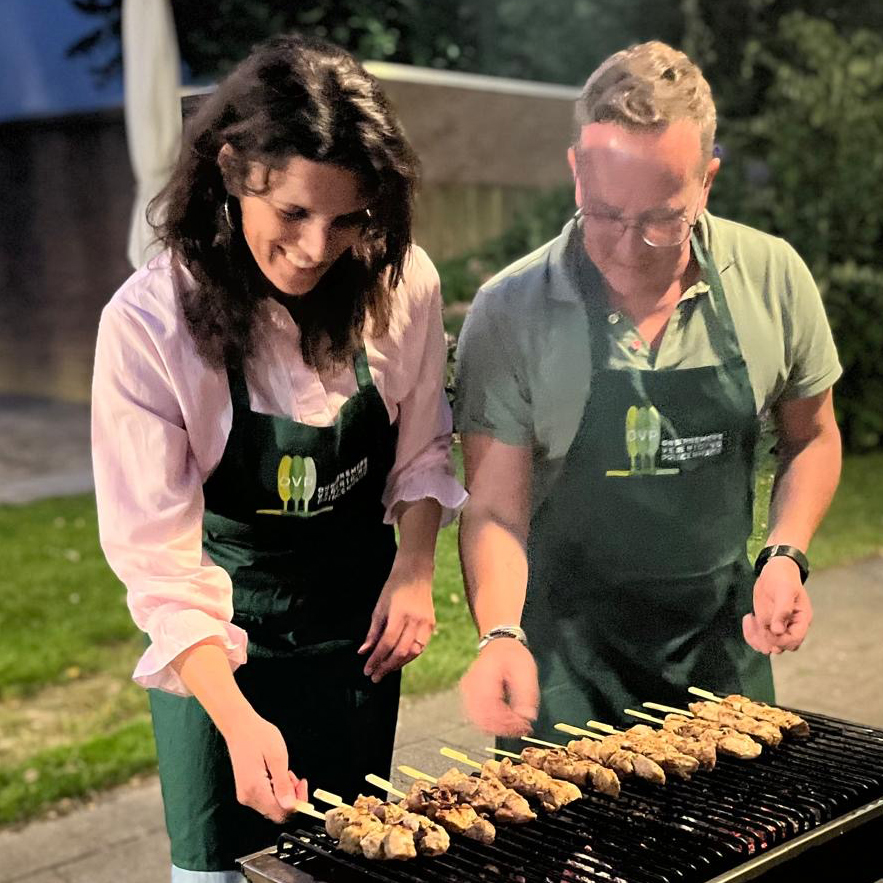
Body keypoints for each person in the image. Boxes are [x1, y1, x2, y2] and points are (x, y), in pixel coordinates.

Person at [92, 34, 465, 881]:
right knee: (219, 871)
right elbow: (159, 564)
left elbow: (422, 450)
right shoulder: (151, 325)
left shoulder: (401, 285)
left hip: (353, 637)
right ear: (233, 170)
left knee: (351, 860)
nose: (316, 246)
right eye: (292, 213)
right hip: (215, 644)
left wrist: (413, 569)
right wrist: (236, 719)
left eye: (347, 218)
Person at [455, 41, 842, 745]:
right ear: (576, 172)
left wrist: (785, 553)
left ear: (707, 181)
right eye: (605, 214)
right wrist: (500, 633)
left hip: (722, 654)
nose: (629, 248)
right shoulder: (510, 311)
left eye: (663, 219)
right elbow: (494, 509)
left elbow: (812, 436)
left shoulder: (772, 278)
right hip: (564, 671)